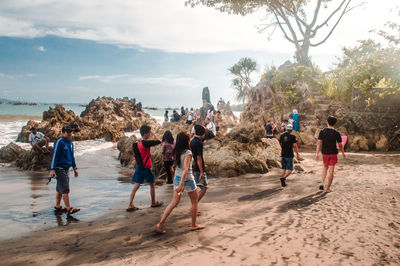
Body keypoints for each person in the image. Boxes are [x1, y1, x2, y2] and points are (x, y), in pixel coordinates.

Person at [156, 132, 205, 234]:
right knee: (194, 202)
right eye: (188, 139)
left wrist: (178, 182)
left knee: (173, 203)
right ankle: (193, 225)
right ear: (186, 141)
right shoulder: (188, 153)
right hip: (187, 179)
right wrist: (182, 184)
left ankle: (160, 224)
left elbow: (176, 167)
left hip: (177, 178)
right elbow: (186, 169)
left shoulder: (176, 151)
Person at [127, 125, 163, 211]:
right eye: (149, 133)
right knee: (152, 185)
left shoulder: (137, 143)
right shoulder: (146, 143)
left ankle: (130, 204)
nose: (150, 135)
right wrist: (154, 133)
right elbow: (159, 141)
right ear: (146, 133)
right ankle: (153, 202)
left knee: (136, 185)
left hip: (140, 167)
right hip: (147, 167)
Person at [49, 126, 80, 215]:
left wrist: (75, 168)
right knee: (65, 188)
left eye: (70, 132)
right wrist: (52, 169)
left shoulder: (70, 143)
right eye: (67, 132)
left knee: (59, 188)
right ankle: (69, 208)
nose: (70, 133)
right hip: (59, 168)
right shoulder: (60, 142)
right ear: (63, 133)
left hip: (67, 168)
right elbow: (55, 155)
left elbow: (72, 156)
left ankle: (58, 207)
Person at [316, 116, 346, 193]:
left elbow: (319, 143)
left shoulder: (322, 131)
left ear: (327, 122)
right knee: (331, 171)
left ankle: (322, 183)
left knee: (325, 168)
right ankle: (328, 188)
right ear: (334, 124)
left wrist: (317, 153)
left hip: (324, 153)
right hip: (333, 153)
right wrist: (343, 153)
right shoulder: (337, 133)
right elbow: (340, 145)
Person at [190, 125, 208, 204]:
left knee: (196, 187)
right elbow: (199, 158)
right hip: (198, 168)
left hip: (193, 166)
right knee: (204, 188)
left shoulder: (192, 141)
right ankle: (195, 205)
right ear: (202, 134)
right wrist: (201, 172)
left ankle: (195, 205)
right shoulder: (199, 143)